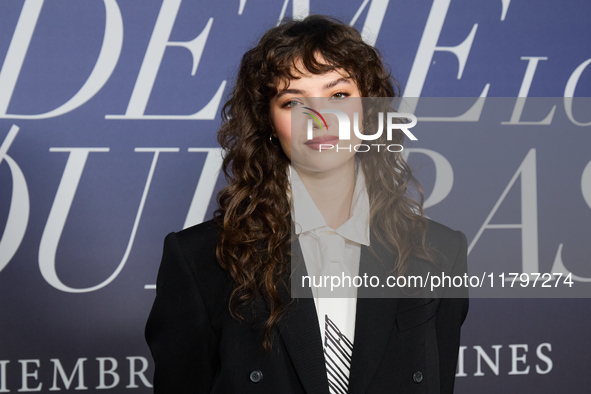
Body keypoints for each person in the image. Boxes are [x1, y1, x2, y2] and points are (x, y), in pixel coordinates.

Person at [145, 14, 468, 394]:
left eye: (339, 95)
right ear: (268, 122)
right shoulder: (200, 260)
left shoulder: (440, 253)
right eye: (293, 101)